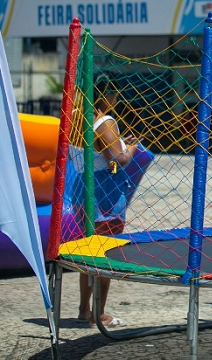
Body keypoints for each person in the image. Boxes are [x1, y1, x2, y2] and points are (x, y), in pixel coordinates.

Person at [73, 74, 140, 328]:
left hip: (83, 192)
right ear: (105, 95)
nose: (117, 100)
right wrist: (132, 147)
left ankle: (83, 309)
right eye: (115, 94)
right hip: (105, 196)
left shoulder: (78, 117)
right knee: (106, 253)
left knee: (88, 251)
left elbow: (94, 155)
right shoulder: (105, 121)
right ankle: (98, 313)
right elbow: (120, 158)